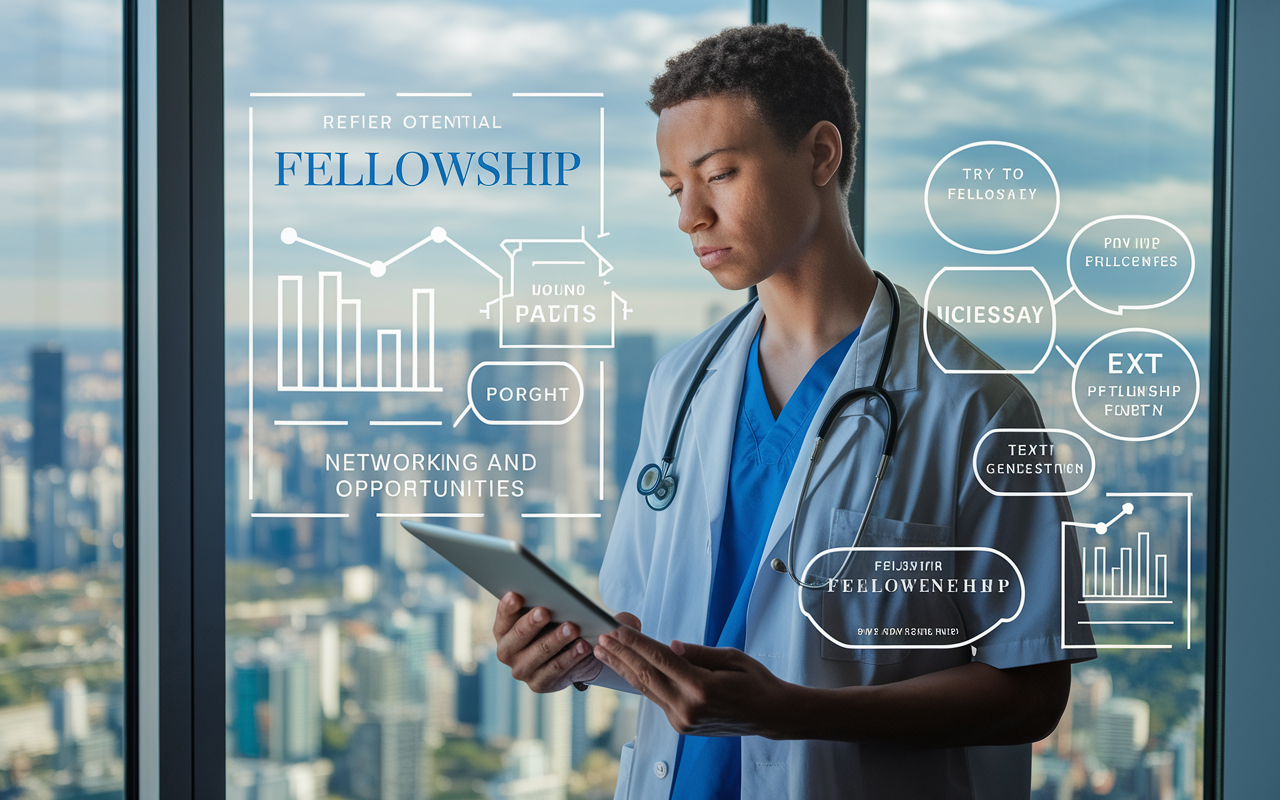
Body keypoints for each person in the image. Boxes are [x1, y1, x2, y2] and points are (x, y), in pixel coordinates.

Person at [492, 24, 1094, 799]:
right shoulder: (682, 384)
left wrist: (790, 710)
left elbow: (1032, 694)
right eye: (677, 188)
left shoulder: (977, 406)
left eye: (720, 174)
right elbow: (645, 635)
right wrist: (569, 655)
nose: (690, 218)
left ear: (820, 154)